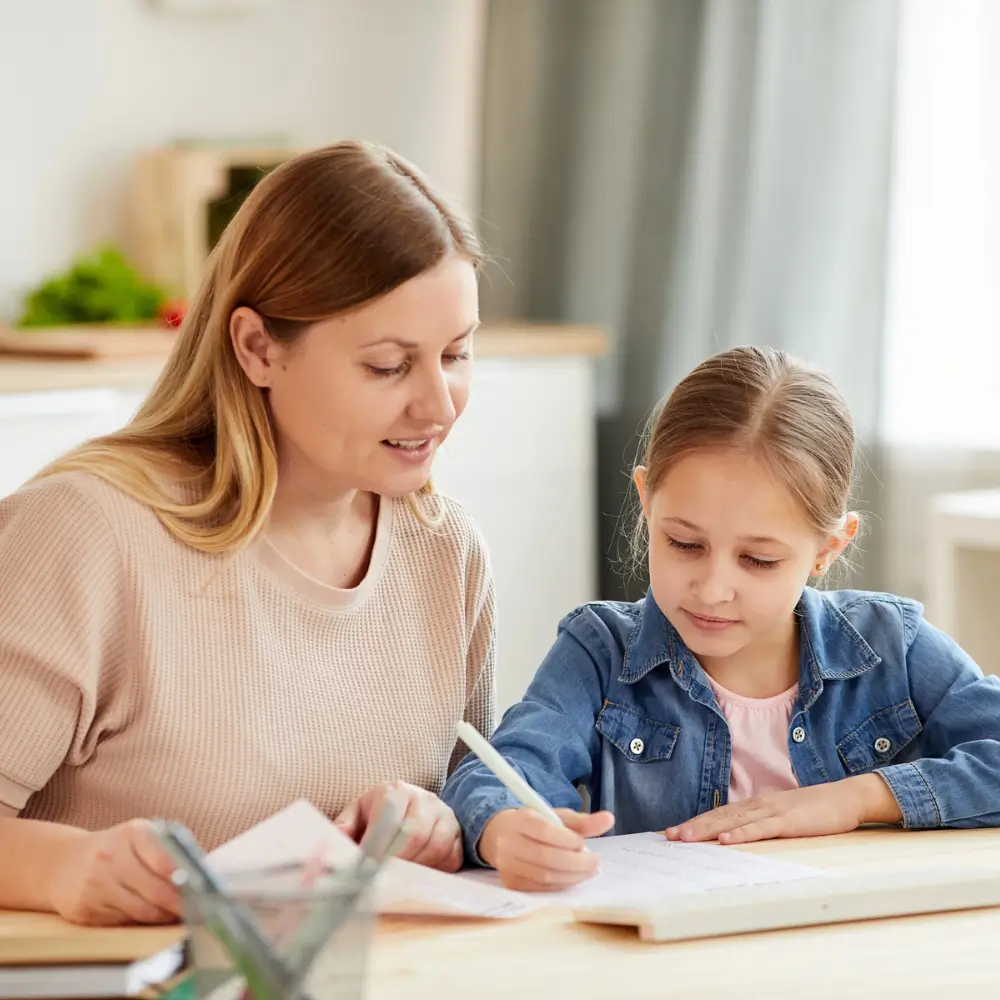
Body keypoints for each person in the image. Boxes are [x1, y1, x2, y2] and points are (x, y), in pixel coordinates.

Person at [0, 141, 496, 924]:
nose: (439, 405)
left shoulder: (446, 552)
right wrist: (64, 867)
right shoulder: (85, 533)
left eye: (457, 354)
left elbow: (484, 798)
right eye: (389, 366)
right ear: (258, 348)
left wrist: (445, 825)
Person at [442, 345, 1000, 893]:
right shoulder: (600, 652)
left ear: (828, 548)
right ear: (646, 503)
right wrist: (504, 827)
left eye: (758, 560)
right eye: (685, 543)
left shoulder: (890, 645)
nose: (712, 589)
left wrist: (853, 798)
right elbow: (506, 769)